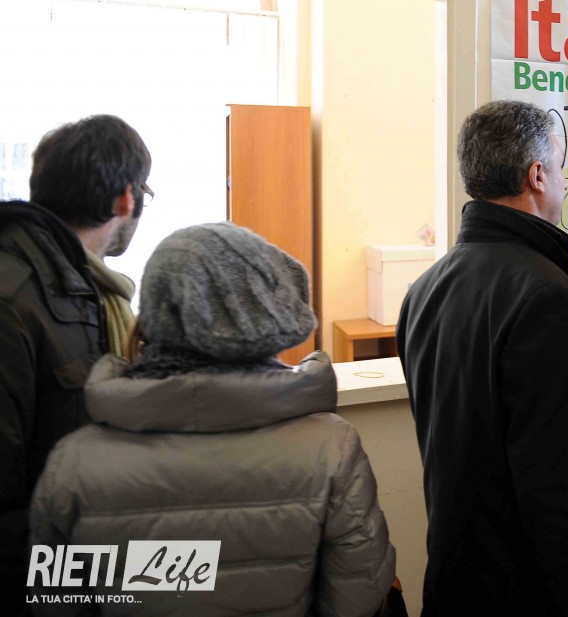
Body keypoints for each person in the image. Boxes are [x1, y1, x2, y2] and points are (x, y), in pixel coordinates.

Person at [29, 222, 396, 615]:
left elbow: (56, 602)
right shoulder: (331, 448)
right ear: (268, 318)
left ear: (154, 314)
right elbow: (358, 592)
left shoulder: (74, 461)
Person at [396, 100, 568, 617]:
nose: (565, 183)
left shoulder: (424, 290)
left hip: (458, 576)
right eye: (560, 167)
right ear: (537, 176)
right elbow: (566, 488)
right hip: (531, 594)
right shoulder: (545, 295)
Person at [0, 115, 151, 605]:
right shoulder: (16, 295)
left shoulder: (79, 286)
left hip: (72, 555)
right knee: (201, 570)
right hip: (41, 576)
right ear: (126, 199)